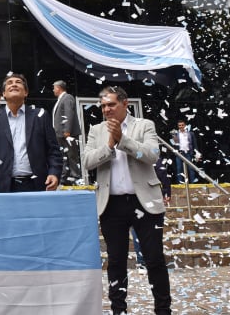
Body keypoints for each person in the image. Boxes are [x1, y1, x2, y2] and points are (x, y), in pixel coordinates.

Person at [81, 85, 171, 315]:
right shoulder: (96, 130)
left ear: (125, 103)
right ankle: (118, 310)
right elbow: (88, 161)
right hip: (111, 205)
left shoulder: (144, 125)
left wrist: (123, 140)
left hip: (145, 203)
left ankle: (163, 310)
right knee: (117, 262)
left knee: (154, 260)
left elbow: (151, 155)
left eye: (111, 104)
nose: (106, 109)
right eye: (103, 106)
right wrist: (110, 144)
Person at [0, 73, 62, 193]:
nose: (14, 85)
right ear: (4, 94)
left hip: (37, 185)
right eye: (10, 83)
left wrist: (54, 173)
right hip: (2, 186)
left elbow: (53, 150)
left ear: (26, 92)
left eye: (18, 82)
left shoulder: (40, 116)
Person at [133, 153, 173, 268]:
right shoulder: (148, 152)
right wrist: (166, 190)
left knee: (137, 229)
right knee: (153, 229)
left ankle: (141, 261)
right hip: (151, 196)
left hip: (133, 196)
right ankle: (153, 259)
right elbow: (161, 171)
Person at [52, 79, 82, 185]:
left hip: (67, 134)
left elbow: (69, 113)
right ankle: (65, 178)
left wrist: (67, 130)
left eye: (54, 88)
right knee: (64, 156)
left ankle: (75, 177)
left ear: (59, 88)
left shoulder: (67, 97)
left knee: (71, 155)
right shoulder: (60, 99)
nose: (53, 90)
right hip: (60, 134)